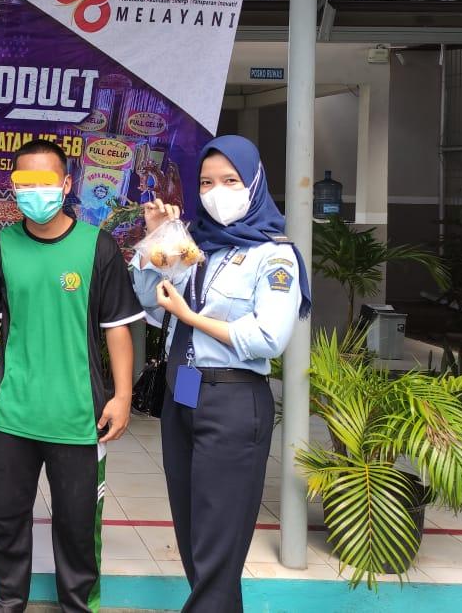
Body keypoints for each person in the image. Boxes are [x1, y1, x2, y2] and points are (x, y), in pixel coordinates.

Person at [131, 135, 311, 613]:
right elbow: (149, 300)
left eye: (230, 181)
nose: (216, 192)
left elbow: (268, 336)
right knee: (195, 536)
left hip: (232, 399)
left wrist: (192, 319)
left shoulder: (274, 255)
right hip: (182, 394)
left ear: (254, 183)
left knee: (218, 542)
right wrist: (156, 239)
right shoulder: (194, 245)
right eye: (207, 182)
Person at [0, 140, 143, 612]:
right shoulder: (0, 245)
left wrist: (122, 396)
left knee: (77, 528)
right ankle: (8, 604)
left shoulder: (97, 247)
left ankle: (78, 606)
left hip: (79, 416)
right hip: (11, 414)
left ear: (66, 185)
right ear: (13, 187)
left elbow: (117, 329)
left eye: (45, 181)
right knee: (6, 525)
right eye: (24, 182)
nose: (35, 191)